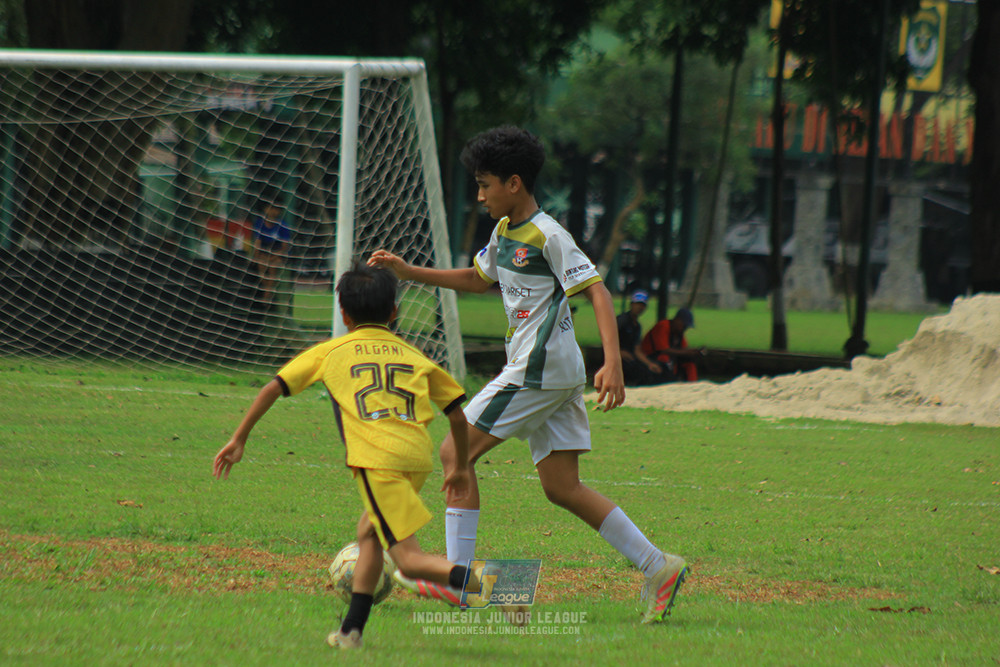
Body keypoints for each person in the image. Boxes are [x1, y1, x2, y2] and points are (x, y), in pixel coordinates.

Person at [368, 125, 687, 624]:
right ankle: (658, 565)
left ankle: (462, 581)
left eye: (485, 185)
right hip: (552, 373)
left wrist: (614, 361)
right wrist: (411, 273)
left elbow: (597, 291)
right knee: (561, 486)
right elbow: (478, 278)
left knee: (454, 451)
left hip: (538, 370)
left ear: (513, 183)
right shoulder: (502, 234)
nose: (479, 195)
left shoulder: (548, 234)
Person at [212, 264, 478, 650]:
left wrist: (239, 438)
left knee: (408, 561)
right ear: (394, 313)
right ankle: (352, 631)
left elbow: (274, 386)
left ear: (343, 313)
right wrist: (458, 467)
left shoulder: (331, 350)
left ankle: (496, 584)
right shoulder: (414, 354)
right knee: (368, 534)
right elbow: (456, 413)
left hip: (377, 461)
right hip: (415, 456)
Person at [641, 307, 702, 383]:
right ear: (677, 320)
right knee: (665, 359)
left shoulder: (679, 333)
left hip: (666, 359)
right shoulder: (663, 325)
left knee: (689, 360)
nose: (685, 328)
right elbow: (663, 349)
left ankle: (693, 384)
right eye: (684, 325)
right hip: (650, 358)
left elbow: (684, 348)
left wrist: (693, 352)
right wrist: (687, 352)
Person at [616, 290, 663, 386]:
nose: (639, 307)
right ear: (632, 304)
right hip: (616, 356)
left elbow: (637, 349)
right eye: (637, 304)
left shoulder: (637, 326)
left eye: (642, 305)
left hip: (630, 357)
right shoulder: (622, 320)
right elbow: (607, 335)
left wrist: (649, 364)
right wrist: (618, 352)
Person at [251, 202, 291, 302]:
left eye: (276, 209)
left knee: (273, 267)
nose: (273, 211)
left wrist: (273, 257)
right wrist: (256, 257)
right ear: (266, 209)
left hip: (277, 255)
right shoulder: (260, 223)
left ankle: (266, 297)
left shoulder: (282, 225)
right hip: (264, 254)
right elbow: (257, 244)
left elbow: (284, 247)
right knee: (261, 266)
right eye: (271, 208)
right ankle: (268, 294)